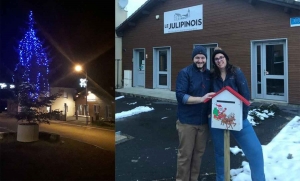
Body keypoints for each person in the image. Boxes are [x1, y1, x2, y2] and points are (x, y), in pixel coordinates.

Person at [210, 47, 266, 181]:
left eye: (221, 57)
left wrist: (243, 116)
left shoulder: (236, 72)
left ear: (226, 58)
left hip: (237, 118)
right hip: (218, 119)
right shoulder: (212, 76)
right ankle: (222, 179)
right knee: (220, 154)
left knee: (255, 151)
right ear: (214, 62)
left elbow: (245, 94)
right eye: (216, 59)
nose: (219, 60)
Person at [175, 45, 215, 181]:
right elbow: (180, 96)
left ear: (206, 59)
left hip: (203, 122)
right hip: (187, 122)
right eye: (197, 57)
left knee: (198, 154)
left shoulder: (209, 74)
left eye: (202, 57)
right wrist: (201, 99)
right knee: (185, 155)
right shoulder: (185, 73)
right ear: (193, 58)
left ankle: (194, 179)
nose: (200, 60)